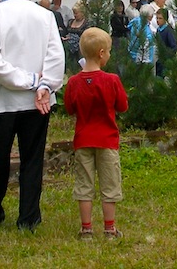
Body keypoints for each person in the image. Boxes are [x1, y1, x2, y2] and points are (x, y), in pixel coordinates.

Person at [0, 0, 65, 230]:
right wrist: (44, 85)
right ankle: (29, 217)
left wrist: (33, 82)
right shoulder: (43, 14)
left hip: (5, 100)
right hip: (37, 101)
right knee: (32, 159)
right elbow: (55, 55)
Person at [63, 28, 128, 240]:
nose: (109, 55)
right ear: (101, 53)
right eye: (108, 51)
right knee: (110, 185)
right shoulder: (112, 80)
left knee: (84, 184)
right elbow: (123, 106)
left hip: (83, 139)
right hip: (107, 140)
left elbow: (70, 108)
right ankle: (109, 228)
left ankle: (86, 229)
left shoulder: (73, 82)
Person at [64, 3, 89, 67]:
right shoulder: (70, 22)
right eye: (74, 13)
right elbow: (66, 32)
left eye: (76, 13)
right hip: (68, 49)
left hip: (81, 50)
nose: (74, 15)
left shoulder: (87, 23)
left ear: (82, 12)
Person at [155, 8, 177, 79]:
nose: (158, 20)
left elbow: (174, 46)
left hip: (166, 60)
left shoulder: (168, 30)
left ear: (165, 19)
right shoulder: (158, 30)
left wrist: (167, 56)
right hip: (159, 59)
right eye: (157, 18)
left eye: (160, 18)